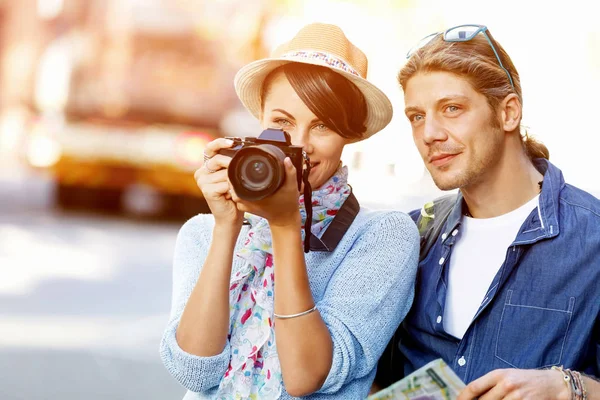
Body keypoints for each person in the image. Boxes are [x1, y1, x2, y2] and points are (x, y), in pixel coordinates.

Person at [160, 23, 419, 399]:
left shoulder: (382, 236)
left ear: (350, 134)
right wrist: (226, 228)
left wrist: (285, 228)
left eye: (323, 126)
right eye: (282, 122)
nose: (300, 145)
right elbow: (195, 371)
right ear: (260, 122)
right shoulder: (202, 232)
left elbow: (304, 376)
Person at [376, 24, 600, 399]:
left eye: (452, 108)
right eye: (416, 116)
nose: (429, 133)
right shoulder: (410, 236)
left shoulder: (592, 239)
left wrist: (571, 389)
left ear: (508, 112)